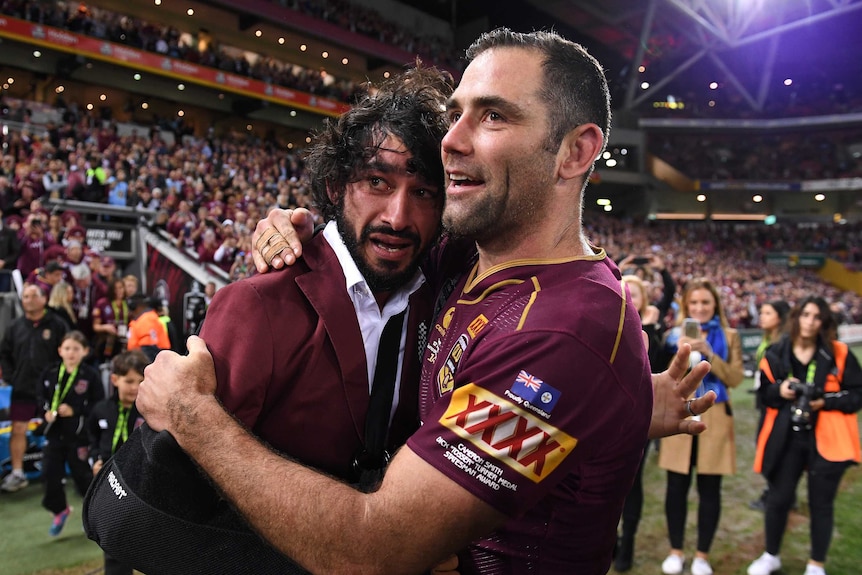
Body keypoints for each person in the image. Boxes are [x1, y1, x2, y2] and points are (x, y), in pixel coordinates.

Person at [137, 28, 714, 575]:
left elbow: (374, 551)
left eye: (492, 115)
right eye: (456, 113)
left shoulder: (560, 333)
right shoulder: (464, 261)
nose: (452, 140)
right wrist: (304, 225)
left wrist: (195, 417)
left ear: (574, 151)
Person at [188, 65, 446, 487]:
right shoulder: (257, 304)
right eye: (377, 181)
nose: (398, 218)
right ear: (334, 187)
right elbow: (187, 484)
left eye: (422, 193)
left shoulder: (440, 300)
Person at [747, 296, 862, 575]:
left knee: (821, 503)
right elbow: (764, 396)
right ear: (796, 317)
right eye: (806, 314)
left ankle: (816, 564)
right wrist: (781, 390)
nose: (810, 321)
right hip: (786, 438)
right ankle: (771, 555)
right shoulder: (775, 353)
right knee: (778, 498)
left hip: (826, 440)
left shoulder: (839, 353)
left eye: (817, 316)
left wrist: (826, 401)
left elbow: (856, 395)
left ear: (824, 322)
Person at [659, 277, 744, 575]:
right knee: (675, 487)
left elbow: (735, 379)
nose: (700, 307)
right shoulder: (673, 337)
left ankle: (702, 556)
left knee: (710, 489)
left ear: (715, 305)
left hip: (716, 417)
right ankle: (675, 551)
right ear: (685, 305)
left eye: (705, 302)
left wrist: (709, 352)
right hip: (678, 416)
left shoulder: (730, 336)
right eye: (693, 302)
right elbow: (664, 378)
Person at [615, 273, 672, 572]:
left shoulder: (656, 330)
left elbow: (655, 363)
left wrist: (647, 326)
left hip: (640, 416)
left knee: (631, 482)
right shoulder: (607, 324)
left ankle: (629, 543)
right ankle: (611, 538)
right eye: (623, 291)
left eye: (634, 294)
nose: (627, 298)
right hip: (609, 416)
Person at [0, 284, 69, 493]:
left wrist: (60, 378)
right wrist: (12, 376)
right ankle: (18, 473)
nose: (28, 300)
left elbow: (68, 353)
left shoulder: (57, 324)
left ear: (43, 299)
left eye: (32, 296)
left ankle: (58, 471)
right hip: (22, 388)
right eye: (25, 296)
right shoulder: (15, 327)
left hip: (51, 389)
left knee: (57, 428)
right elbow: (4, 353)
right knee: (18, 429)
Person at [87, 350, 149, 575]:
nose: (135, 386)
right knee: (113, 538)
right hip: (109, 484)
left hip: (141, 484)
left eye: (141, 381)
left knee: (146, 540)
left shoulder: (150, 411)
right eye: (129, 381)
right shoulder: (101, 410)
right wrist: (94, 460)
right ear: (115, 380)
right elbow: (91, 439)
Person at [39, 330, 104, 536]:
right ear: (60, 350)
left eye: (76, 349)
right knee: (50, 473)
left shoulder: (90, 376)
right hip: (54, 435)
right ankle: (60, 510)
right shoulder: (50, 373)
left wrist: (76, 411)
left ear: (85, 351)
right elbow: (40, 398)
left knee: (83, 477)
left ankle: (94, 516)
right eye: (67, 348)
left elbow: (98, 404)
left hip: (79, 436)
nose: (71, 353)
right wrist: (46, 412)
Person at [750, 299, 791, 512]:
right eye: (762, 312)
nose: (762, 316)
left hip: (777, 405)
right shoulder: (768, 339)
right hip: (766, 400)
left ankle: (776, 495)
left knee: (773, 450)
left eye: (767, 312)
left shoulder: (784, 343)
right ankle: (776, 493)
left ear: (780, 318)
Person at [125, 294, 171, 362]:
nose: (129, 311)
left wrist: (143, 369)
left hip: (150, 364)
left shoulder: (147, 319)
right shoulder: (142, 319)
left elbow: (149, 350)